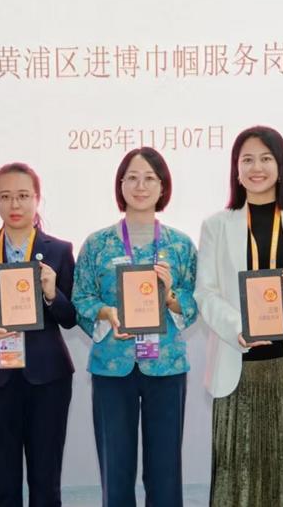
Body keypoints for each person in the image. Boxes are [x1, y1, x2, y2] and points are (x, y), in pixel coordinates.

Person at [194, 125, 283, 507]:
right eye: (247, 160)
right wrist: (238, 328)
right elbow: (205, 292)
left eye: (266, 158)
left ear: (281, 165)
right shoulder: (217, 225)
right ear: (236, 170)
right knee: (237, 476)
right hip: (238, 364)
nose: (257, 167)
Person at [73, 147, 198, 507]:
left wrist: (171, 295)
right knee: (116, 468)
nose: (140, 186)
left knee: (165, 469)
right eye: (132, 178)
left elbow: (194, 301)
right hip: (112, 366)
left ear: (163, 186)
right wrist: (106, 313)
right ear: (120, 185)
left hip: (166, 365)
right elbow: (81, 297)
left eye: (149, 178)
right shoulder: (97, 244)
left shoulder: (180, 244)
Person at [0, 162, 77, 507]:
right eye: (5, 197)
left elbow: (71, 318)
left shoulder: (59, 249)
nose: (14, 205)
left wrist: (51, 293)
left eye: (23, 196)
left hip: (48, 377)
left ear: (37, 198)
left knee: (46, 480)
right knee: (1, 480)